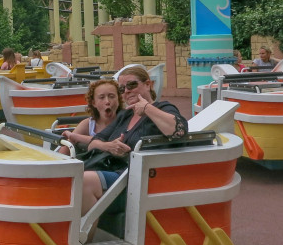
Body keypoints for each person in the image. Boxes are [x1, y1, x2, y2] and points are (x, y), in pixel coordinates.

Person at [80, 65, 188, 214]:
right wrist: (109, 146)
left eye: (131, 84)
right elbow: (93, 144)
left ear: (148, 84)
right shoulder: (125, 115)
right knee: (69, 179)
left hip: (137, 182)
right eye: (121, 89)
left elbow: (178, 130)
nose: (127, 91)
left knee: (84, 182)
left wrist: (146, 109)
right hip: (112, 173)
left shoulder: (163, 108)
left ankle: (81, 238)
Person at [58, 79, 122, 157]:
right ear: (94, 103)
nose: (107, 101)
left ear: (118, 100)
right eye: (101, 97)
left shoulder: (125, 121)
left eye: (111, 96)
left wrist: (77, 137)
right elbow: (63, 153)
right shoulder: (88, 124)